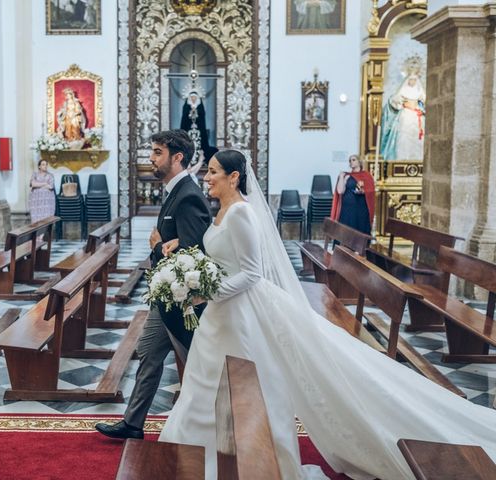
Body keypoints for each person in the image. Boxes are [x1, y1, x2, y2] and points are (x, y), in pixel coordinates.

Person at [158, 149, 496, 480]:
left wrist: (210, 291)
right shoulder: (221, 212)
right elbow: (221, 256)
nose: (207, 177)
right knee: (206, 383)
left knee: (250, 388)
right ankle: (195, 457)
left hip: (241, 313)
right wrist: (189, 261)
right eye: (208, 171)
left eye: (214, 171)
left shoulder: (243, 214)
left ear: (234, 177)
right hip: (221, 313)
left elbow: (251, 273)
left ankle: (252, 462)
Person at [95, 130, 211, 440]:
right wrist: (162, 248)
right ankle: (133, 423)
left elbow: (194, 250)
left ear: (177, 158)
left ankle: (210, 423)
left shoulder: (188, 195)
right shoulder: (176, 190)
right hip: (167, 295)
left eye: (157, 152)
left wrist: (159, 247)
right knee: (148, 352)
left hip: (184, 300)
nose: (151, 158)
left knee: (200, 362)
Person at [380, 73, 426, 160]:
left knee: (417, 137)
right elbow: (394, 100)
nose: (412, 82)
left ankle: (418, 158)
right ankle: (402, 158)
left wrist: (421, 109)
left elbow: (425, 100)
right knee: (404, 136)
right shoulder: (403, 90)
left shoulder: (420, 91)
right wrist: (400, 102)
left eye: (414, 80)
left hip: (416, 116)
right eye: (411, 79)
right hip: (406, 115)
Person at [330, 154, 375, 235]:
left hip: (361, 209)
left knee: (359, 230)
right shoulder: (346, 176)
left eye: (353, 160)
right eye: (350, 160)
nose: (351, 162)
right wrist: (341, 177)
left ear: (359, 162)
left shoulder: (366, 175)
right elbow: (340, 191)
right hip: (347, 209)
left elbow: (371, 190)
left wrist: (364, 191)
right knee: (346, 231)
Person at [180, 90, 217, 164]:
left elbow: (202, 116)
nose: (193, 98)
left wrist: (196, 112)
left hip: (199, 129)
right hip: (188, 129)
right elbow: (184, 117)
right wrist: (190, 112)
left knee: (201, 142)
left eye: (194, 97)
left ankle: (201, 159)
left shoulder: (200, 105)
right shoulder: (187, 105)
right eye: (192, 97)